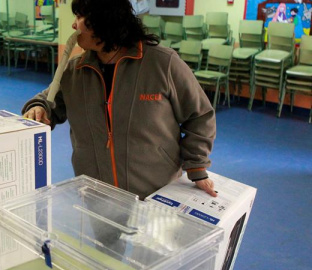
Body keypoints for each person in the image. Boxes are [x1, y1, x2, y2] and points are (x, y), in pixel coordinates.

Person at [22, 0, 217, 200]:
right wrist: (38, 107)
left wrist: (197, 165)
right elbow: (49, 99)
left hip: (154, 195)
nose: (74, 25)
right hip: (96, 193)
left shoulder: (163, 63)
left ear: (104, 19)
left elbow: (200, 115)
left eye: (80, 17)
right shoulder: (75, 70)